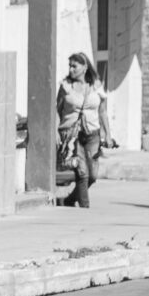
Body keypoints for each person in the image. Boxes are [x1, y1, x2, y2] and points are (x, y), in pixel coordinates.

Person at [55, 52, 111, 209]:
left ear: (85, 67)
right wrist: (55, 130)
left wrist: (108, 135)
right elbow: (57, 110)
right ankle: (85, 208)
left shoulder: (96, 86)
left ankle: (69, 200)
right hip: (73, 135)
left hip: (93, 134)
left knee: (92, 175)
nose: (71, 69)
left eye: (75, 66)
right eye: (70, 66)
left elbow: (102, 112)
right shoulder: (66, 86)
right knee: (82, 173)